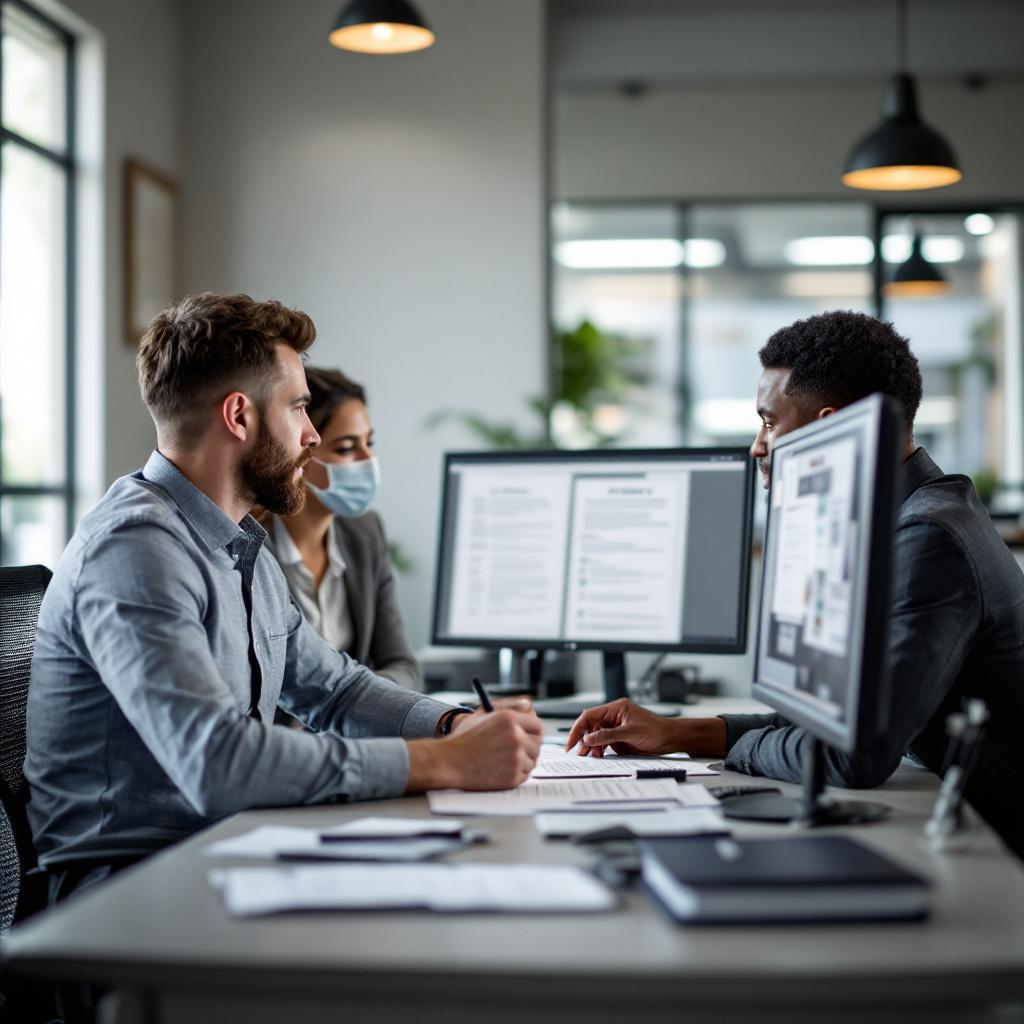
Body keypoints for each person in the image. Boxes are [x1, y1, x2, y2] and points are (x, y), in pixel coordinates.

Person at [25, 292, 541, 898]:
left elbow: (336, 688)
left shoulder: (237, 539)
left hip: (225, 850)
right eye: (298, 407)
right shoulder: (136, 549)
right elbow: (218, 763)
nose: (312, 434)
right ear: (239, 417)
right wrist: (447, 763)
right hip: (130, 892)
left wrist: (454, 725)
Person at [565, 310, 1024, 858]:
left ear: (830, 425)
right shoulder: (882, 518)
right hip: (948, 818)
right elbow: (823, 718)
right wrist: (674, 734)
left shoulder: (928, 538)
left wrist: (731, 756)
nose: (757, 446)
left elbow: (847, 757)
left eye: (767, 421)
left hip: (992, 848)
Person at [260, 366, 420, 690]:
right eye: (346, 448)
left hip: (355, 734)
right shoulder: (251, 546)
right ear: (300, 450)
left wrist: (358, 704)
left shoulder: (365, 532)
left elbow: (404, 667)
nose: (368, 459)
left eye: (369, 443)